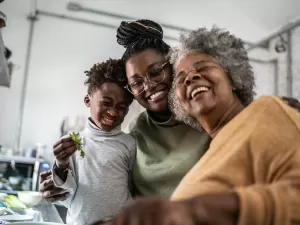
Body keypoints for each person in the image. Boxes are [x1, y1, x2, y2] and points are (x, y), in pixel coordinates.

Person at [99, 27, 300, 225]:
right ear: (179, 101)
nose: (191, 78)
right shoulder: (211, 152)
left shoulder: (266, 113)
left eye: (202, 68)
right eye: (181, 79)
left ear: (233, 76)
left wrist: (194, 211)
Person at [39, 19, 211, 202]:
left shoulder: (207, 120)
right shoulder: (133, 133)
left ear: (173, 67)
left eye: (155, 72)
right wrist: (60, 182)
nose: (150, 86)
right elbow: (104, 188)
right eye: (137, 82)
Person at [50, 59, 136, 225]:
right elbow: (64, 194)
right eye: (106, 103)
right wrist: (61, 164)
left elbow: (135, 189)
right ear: (87, 100)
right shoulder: (72, 142)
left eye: (121, 107)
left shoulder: (130, 144)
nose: (112, 112)